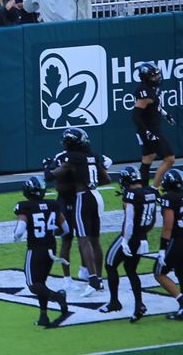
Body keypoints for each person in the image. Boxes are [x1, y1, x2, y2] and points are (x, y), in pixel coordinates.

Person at [44, 126, 110, 298]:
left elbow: (50, 176)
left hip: (82, 197)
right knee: (95, 239)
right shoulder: (94, 156)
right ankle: (99, 279)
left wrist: (46, 167)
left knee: (82, 238)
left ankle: (93, 279)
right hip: (96, 196)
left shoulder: (69, 158)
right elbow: (107, 178)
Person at [12, 176, 73, 328]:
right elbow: (65, 229)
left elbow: (19, 232)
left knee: (33, 284)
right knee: (41, 283)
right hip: (51, 248)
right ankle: (43, 316)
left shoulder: (25, 206)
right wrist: (51, 233)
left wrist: (15, 236)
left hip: (36, 249)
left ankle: (58, 296)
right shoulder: (53, 204)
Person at [100, 167, 157, 322]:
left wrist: (125, 240)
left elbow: (129, 220)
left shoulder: (130, 195)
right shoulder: (150, 192)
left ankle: (114, 302)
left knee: (110, 264)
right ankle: (139, 304)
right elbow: (151, 220)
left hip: (130, 237)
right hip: (142, 237)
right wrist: (143, 233)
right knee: (130, 269)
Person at [133, 62, 175, 189]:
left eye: (157, 75)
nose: (157, 78)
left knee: (147, 160)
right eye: (154, 76)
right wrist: (147, 132)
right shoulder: (145, 93)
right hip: (150, 130)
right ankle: (154, 189)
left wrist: (165, 114)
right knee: (170, 159)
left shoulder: (152, 89)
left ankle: (144, 191)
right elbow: (135, 116)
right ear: (146, 77)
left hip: (150, 129)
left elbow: (155, 107)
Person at [154, 169, 183, 320]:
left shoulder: (169, 198)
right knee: (180, 272)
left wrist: (162, 249)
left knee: (159, 272)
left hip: (176, 239)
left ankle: (181, 301)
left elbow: (168, 226)